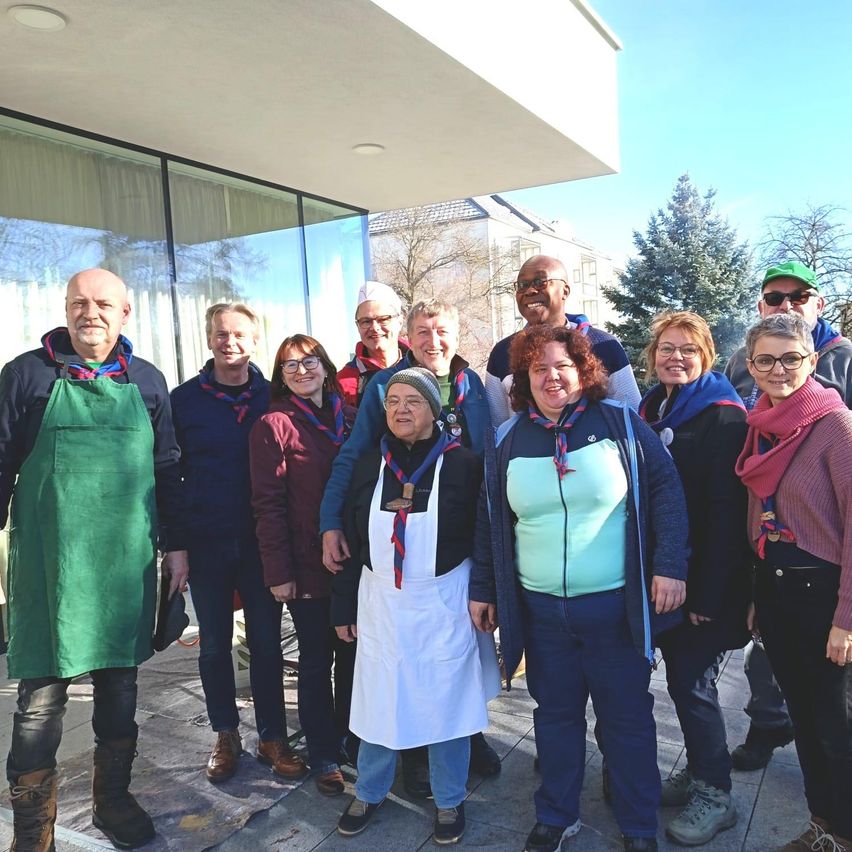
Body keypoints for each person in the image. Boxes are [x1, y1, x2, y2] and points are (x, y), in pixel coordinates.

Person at [470, 323, 688, 852]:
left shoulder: (618, 421)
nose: (551, 377)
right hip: (542, 614)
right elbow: (489, 519)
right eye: (538, 368)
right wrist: (485, 586)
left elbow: (665, 489)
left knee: (627, 721)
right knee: (556, 718)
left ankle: (638, 825)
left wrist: (670, 565)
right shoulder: (507, 438)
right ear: (523, 378)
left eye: (562, 366)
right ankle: (556, 815)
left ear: (582, 371)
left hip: (614, 610)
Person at [0, 268, 188, 850]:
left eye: (104, 304)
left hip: (122, 569)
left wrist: (177, 546)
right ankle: (34, 831)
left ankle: (112, 798)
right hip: (50, 569)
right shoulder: (25, 376)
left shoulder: (149, 382)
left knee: (119, 691)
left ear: (125, 313)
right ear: (64, 308)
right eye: (79, 303)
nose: (91, 314)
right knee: (39, 703)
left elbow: (168, 471)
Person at [320, 298, 500, 793]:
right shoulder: (387, 386)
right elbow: (354, 458)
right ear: (409, 336)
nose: (432, 340)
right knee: (400, 660)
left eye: (441, 330)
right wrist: (331, 520)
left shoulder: (476, 387)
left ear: (457, 334)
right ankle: (414, 756)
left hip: (458, 545)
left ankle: (464, 737)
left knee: (459, 660)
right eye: (422, 331)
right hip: (400, 542)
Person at [170, 303, 307, 786]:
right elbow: (169, 473)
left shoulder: (274, 397)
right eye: (221, 334)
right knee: (212, 646)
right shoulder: (183, 400)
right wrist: (175, 545)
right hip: (206, 541)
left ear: (254, 342)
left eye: (240, 335)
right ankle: (225, 734)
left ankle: (273, 737)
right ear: (209, 339)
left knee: (268, 643)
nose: (230, 342)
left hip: (262, 542)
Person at [724, 261, 852, 771]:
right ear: (750, 366)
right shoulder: (759, 423)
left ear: (811, 358)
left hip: (823, 585)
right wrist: (758, 595)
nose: (778, 370)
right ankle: (822, 825)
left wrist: (847, 618)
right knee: (803, 710)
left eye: (790, 359)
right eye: (764, 361)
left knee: (832, 724)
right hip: (777, 582)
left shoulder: (836, 421)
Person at [639, 311, 751, 846]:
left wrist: (707, 593)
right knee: (679, 685)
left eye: (687, 348)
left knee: (692, 683)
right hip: (662, 575)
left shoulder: (723, 416)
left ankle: (716, 793)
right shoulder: (654, 405)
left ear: (706, 353)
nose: (675, 357)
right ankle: (699, 772)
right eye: (666, 347)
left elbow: (727, 513)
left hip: (704, 584)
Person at [249, 334, 357, 796]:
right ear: (281, 377)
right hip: (305, 565)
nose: (301, 371)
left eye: (309, 361)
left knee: (353, 657)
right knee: (317, 661)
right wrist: (279, 573)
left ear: (326, 366)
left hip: (354, 564)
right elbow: (267, 505)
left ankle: (351, 738)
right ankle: (324, 753)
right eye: (289, 366)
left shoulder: (352, 418)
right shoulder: (274, 426)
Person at [485, 254, 640, 425]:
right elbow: (496, 428)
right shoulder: (502, 353)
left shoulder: (604, 345)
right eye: (522, 285)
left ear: (565, 291)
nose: (530, 290)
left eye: (540, 282)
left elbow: (632, 418)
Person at [338, 280, 408, 408]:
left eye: (383, 319)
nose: (374, 328)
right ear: (357, 326)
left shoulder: (420, 365)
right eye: (366, 321)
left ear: (400, 321)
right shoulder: (344, 381)